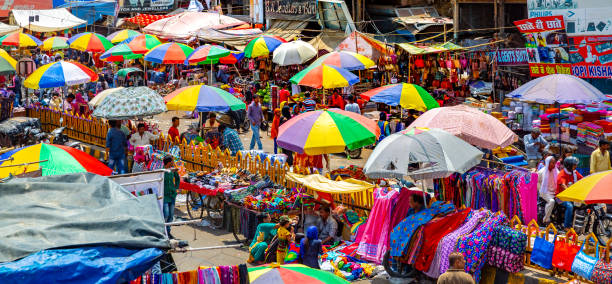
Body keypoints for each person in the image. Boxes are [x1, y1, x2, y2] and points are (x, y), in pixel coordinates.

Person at [557, 156, 582, 229]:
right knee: (570, 206)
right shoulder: (562, 174)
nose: (576, 166)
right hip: (559, 197)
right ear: (569, 166)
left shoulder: (574, 172)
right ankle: (567, 226)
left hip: (571, 195)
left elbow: (582, 179)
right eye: (574, 165)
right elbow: (563, 185)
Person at [162, 155, 180, 237]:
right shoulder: (161, 171)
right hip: (164, 196)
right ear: (168, 162)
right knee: (166, 214)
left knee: (171, 215)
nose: (173, 162)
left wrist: (176, 188)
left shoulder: (173, 170)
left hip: (172, 195)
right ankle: (164, 231)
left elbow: (177, 178)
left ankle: (168, 232)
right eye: (172, 161)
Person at [538, 156, 559, 224]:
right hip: (545, 192)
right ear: (548, 163)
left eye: (554, 163)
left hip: (554, 192)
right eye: (552, 163)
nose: (554, 164)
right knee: (551, 201)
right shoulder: (541, 172)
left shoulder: (556, 171)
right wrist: (540, 191)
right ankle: (546, 219)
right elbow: (537, 182)